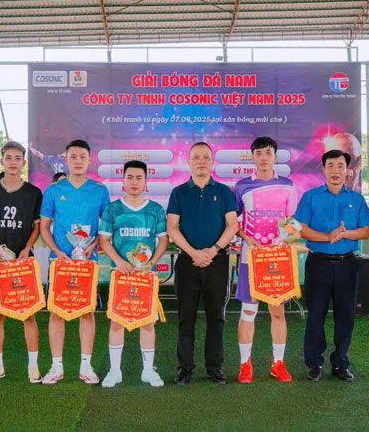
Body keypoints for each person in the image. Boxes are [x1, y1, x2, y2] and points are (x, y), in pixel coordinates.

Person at [167, 142, 239, 386]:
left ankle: (214, 368)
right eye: (196, 157)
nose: (201, 161)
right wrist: (193, 253)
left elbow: (233, 225)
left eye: (205, 157)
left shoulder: (225, 192)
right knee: (186, 318)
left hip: (217, 263)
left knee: (216, 318)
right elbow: (172, 228)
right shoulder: (178, 192)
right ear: (189, 162)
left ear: (211, 162)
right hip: (187, 263)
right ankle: (184, 369)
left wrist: (213, 249)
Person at [39, 139, 110, 385]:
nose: (78, 161)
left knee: (87, 312)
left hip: (88, 263)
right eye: (74, 157)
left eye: (83, 157)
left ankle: (86, 366)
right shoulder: (54, 191)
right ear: (66, 160)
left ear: (90, 160)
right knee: (57, 313)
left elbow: (107, 227)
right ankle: (56, 366)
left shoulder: (100, 190)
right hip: (60, 262)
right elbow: (45, 228)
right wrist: (58, 252)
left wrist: (92, 247)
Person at [295, 149, 369, 382]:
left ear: (347, 170)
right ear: (324, 169)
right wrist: (328, 237)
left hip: (347, 264)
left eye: (340, 166)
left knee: (345, 315)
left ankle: (340, 362)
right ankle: (314, 363)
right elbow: (301, 229)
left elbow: (365, 231)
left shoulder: (356, 198)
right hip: (318, 263)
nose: (335, 170)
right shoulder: (310, 197)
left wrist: (345, 233)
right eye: (331, 165)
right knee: (316, 314)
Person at [0, 141, 43, 384]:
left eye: (18, 158)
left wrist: (27, 248)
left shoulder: (34, 193)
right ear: (2, 161)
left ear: (24, 163)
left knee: (29, 315)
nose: (13, 162)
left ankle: (33, 367)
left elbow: (37, 227)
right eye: (9, 157)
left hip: (25, 263)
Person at [99, 160, 169, 388]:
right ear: (123, 181)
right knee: (117, 322)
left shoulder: (155, 210)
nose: (134, 182)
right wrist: (119, 262)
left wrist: (152, 262)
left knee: (148, 323)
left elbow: (163, 240)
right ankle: (114, 371)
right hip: (120, 276)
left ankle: (148, 371)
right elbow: (104, 240)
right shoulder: (113, 209)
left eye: (139, 178)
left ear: (146, 182)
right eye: (130, 177)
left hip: (145, 277)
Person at [233, 137, 298, 384]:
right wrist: (247, 238)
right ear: (252, 157)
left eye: (267, 153)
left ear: (275, 156)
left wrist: (285, 239)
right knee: (248, 311)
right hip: (251, 259)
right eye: (258, 153)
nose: (263, 157)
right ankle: (244, 365)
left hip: (278, 259)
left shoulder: (288, 185)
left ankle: (278, 364)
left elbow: (293, 222)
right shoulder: (241, 187)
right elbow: (233, 223)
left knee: (278, 312)